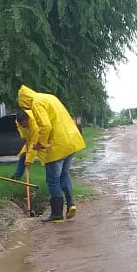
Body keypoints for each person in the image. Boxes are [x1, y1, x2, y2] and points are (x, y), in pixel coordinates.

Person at [17, 84, 86, 223]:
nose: (25, 109)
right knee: (64, 175)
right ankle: (71, 204)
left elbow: (46, 125)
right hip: (70, 141)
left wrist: (40, 143)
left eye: (24, 106)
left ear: (24, 101)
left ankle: (57, 214)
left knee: (53, 180)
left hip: (56, 146)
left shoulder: (36, 103)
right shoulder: (49, 97)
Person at [11, 108, 40, 180]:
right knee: (23, 155)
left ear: (28, 119)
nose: (24, 126)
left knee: (49, 160)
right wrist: (23, 136)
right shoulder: (18, 121)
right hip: (30, 140)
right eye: (22, 125)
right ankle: (16, 177)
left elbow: (34, 144)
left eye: (25, 124)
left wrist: (29, 161)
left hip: (43, 140)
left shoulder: (35, 126)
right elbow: (20, 128)